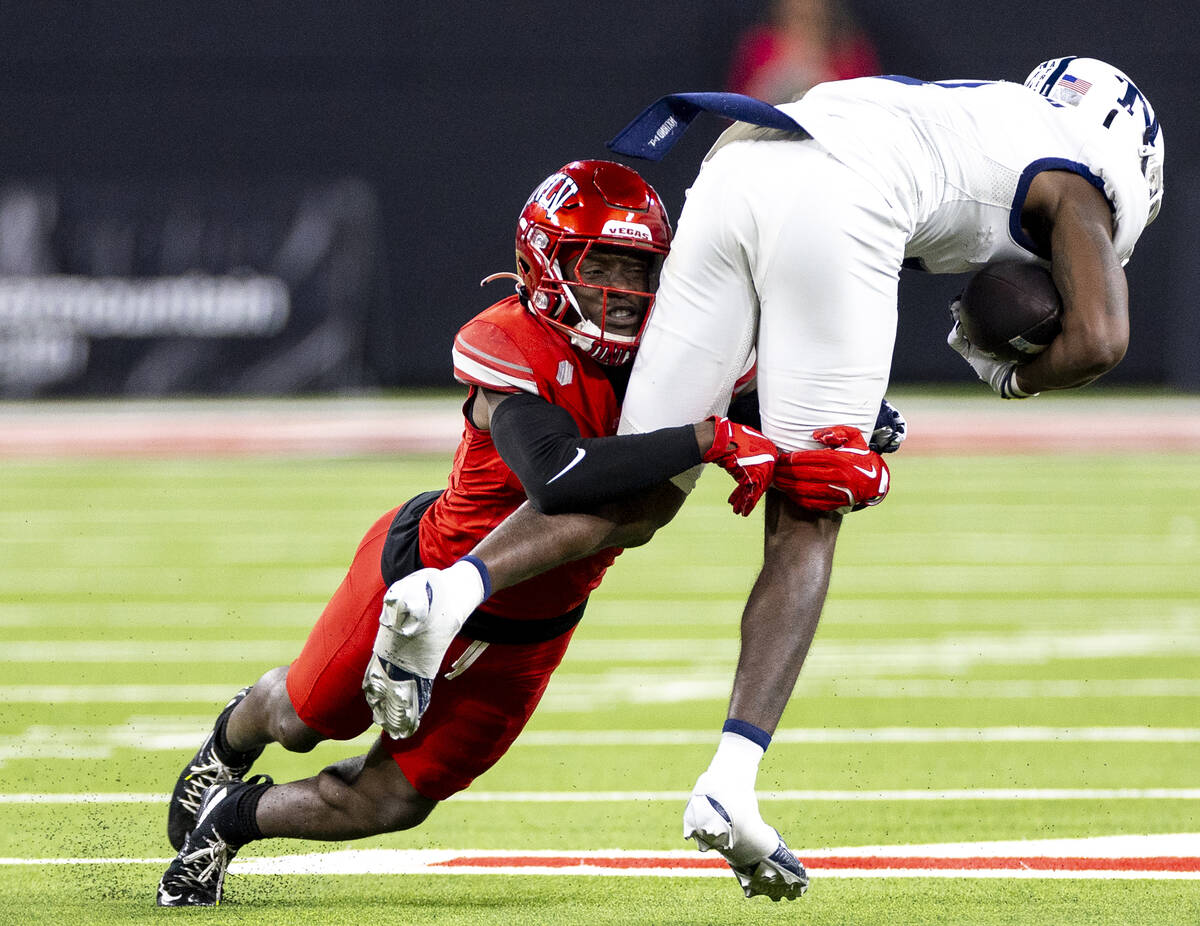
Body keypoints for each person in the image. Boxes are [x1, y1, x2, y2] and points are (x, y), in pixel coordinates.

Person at [372, 57, 1164, 901]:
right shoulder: (1083, 178)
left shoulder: (990, 114)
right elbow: (1101, 338)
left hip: (742, 159)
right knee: (811, 507)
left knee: (640, 486)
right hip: (845, 192)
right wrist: (1007, 376)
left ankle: (450, 592)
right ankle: (732, 781)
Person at [154, 157, 814, 907]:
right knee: (304, 720)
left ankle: (231, 820)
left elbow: (766, 408)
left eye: (638, 268)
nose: (623, 292)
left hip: (532, 632)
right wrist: (709, 439)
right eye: (600, 262)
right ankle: (231, 740)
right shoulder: (508, 341)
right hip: (417, 581)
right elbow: (560, 479)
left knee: (391, 802)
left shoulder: (675, 354)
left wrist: (837, 425)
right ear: (545, 260)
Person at [726, 0, 880, 103]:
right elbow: (736, 106)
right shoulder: (759, 46)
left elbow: (866, 102)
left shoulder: (848, 49)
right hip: (772, 140)